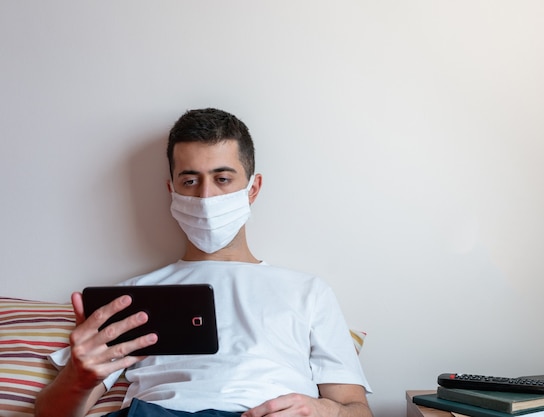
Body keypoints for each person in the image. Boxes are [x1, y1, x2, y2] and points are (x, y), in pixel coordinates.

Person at [34, 108, 373, 417]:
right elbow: (50, 414)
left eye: (223, 179)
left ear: (253, 189)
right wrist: (79, 378)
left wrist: (322, 410)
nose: (207, 197)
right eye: (190, 180)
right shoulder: (128, 298)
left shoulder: (309, 292)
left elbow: (357, 410)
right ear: (172, 189)